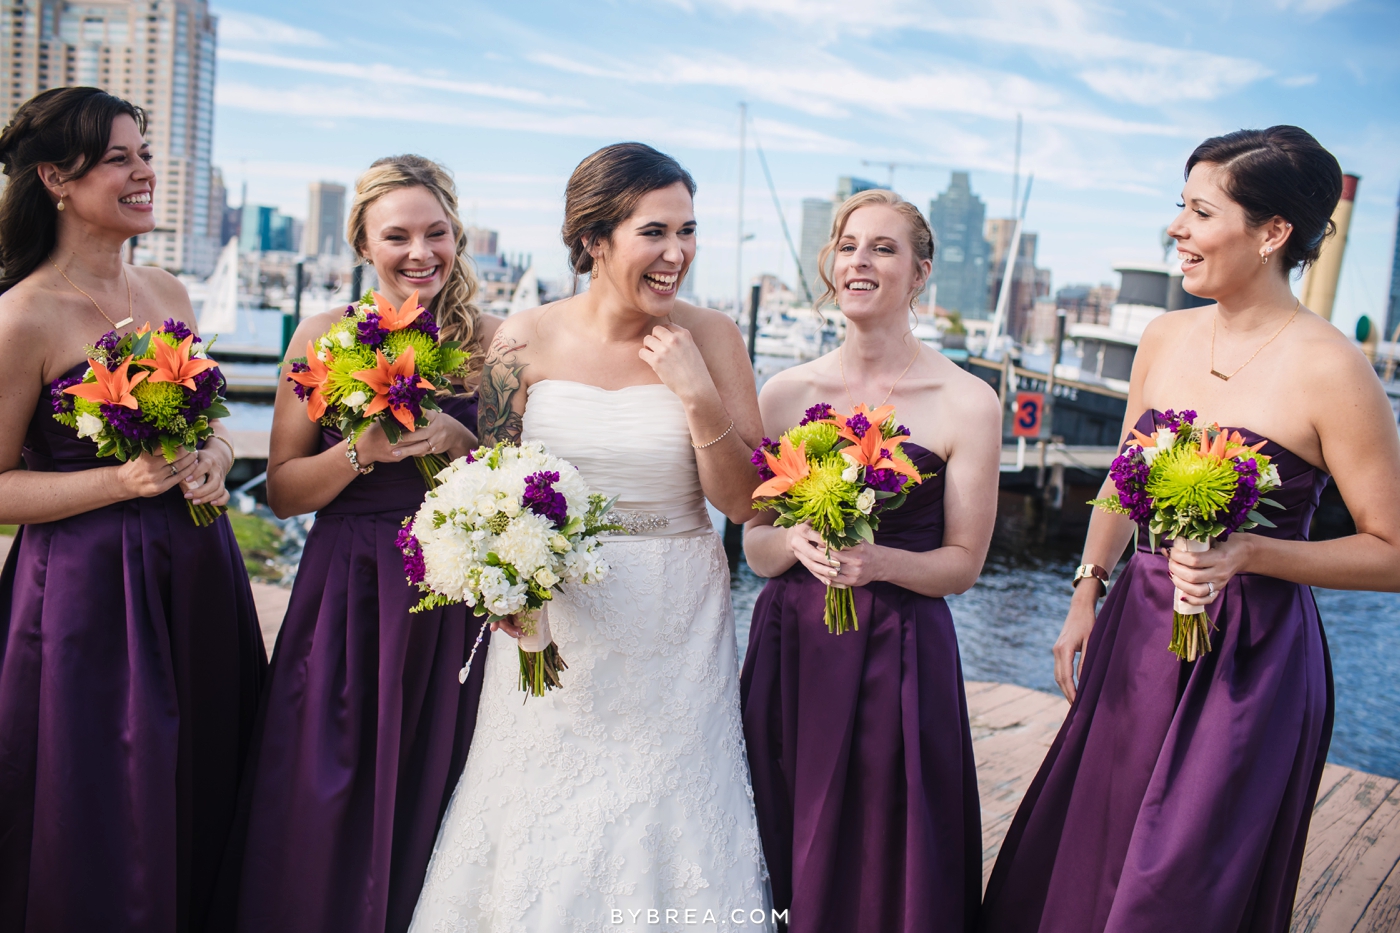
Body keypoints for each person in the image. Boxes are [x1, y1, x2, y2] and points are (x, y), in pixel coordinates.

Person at [979, 126, 1400, 933]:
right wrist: (1086, 592)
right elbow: (1121, 478)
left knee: (1179, 885)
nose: (1176, 228)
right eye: (1181, 207)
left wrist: (1249, 551)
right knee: (1093, 848)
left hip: (1254, 657)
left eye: (1200, 211)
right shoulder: (1165, 336)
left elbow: (1390, 549)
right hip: (1136, 633)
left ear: (1271, 233)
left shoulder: (1333, 368)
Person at [409, 142, 772, 930]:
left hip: (674, 619)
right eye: (655, 231)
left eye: (688, 229)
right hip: (557, 611)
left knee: (669, 805)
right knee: (537, 804)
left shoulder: (713, 337)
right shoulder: (521, 342)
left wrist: (698, 396)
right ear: (594, 239)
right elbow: (492, 484)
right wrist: (497, 581)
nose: (678, 252)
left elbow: (745, 505)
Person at [0, 87, 266, 932]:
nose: (145, 171)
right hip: (85, 599)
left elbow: (216, 429)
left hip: (197, 571)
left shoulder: (167, 288)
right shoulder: (23, 317)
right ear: (55, 177)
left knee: (202, 773)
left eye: (144, 154)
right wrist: (116, 484)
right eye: (120, 158)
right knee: (103, 795)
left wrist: (215, 459)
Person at [222, 155, 502, 933]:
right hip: (351, 582)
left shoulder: (495, 342)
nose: (421, 253)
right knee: (327, 770)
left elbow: (523, 481)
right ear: (363, 243)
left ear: (458, 234)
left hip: (457, 587)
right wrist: (360, 451)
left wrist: (454, 438)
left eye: (436, 233)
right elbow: (281, 492)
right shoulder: (323, 336)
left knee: (441, 772)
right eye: (398, 236)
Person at [740, 189, 1001, 933]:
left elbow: (962, 564)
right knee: (781, 819)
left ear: (919, 273)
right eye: (850, 245)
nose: (861, 260)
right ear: (831, 263)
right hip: (791, 648)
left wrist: (878, 563)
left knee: (887, 840)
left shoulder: (966, 401)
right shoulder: (787, 393)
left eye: (884, 248)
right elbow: (755, 547)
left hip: (900, 654)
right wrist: (791, 541)